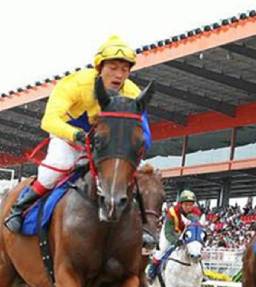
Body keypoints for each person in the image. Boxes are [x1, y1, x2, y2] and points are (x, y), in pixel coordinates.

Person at [5, 35, 151, 233]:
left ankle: (146, 228)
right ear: (100, 68)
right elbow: (48, 121)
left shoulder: (133, 93)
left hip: (103, 144)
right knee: (57, 168)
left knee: (136, 176)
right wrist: (78, 136)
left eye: (124, 69)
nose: (119, 75)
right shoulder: (74, 83)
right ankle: (19, 207)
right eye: (113, 68)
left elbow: (144, 130)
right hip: (68, 137)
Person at [146, 190, 202, 281]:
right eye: (186, 204)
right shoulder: (172, 212)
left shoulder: (195, 213)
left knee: (195, 250)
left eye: (191, 205)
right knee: (162, 250)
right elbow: (168, 232)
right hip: (171, 232)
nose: (188, 207)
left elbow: (195, 227)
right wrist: (176, 241)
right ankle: (152, 271)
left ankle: (201, 273)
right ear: (181, 204)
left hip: (184, 232)